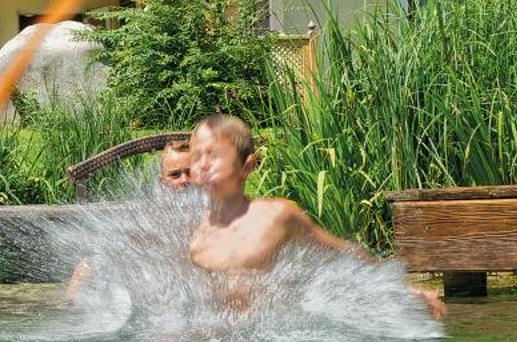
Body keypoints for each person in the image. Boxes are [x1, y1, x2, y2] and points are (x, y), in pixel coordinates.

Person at [186, 113, 445, 318]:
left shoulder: (275, 216)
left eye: (214, 155)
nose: (203, 165)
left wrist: (402, 289)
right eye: (196, 156)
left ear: (248, 165)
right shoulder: (188, 229)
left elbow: (338, 250)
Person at [63, 136, 195, 302]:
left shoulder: (217, 213)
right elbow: (95, 260)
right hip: (159, 299)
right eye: (175, 175)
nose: (185, 180)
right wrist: (70, 308)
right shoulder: (149, 218)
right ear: (162, 183)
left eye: (190, 172)